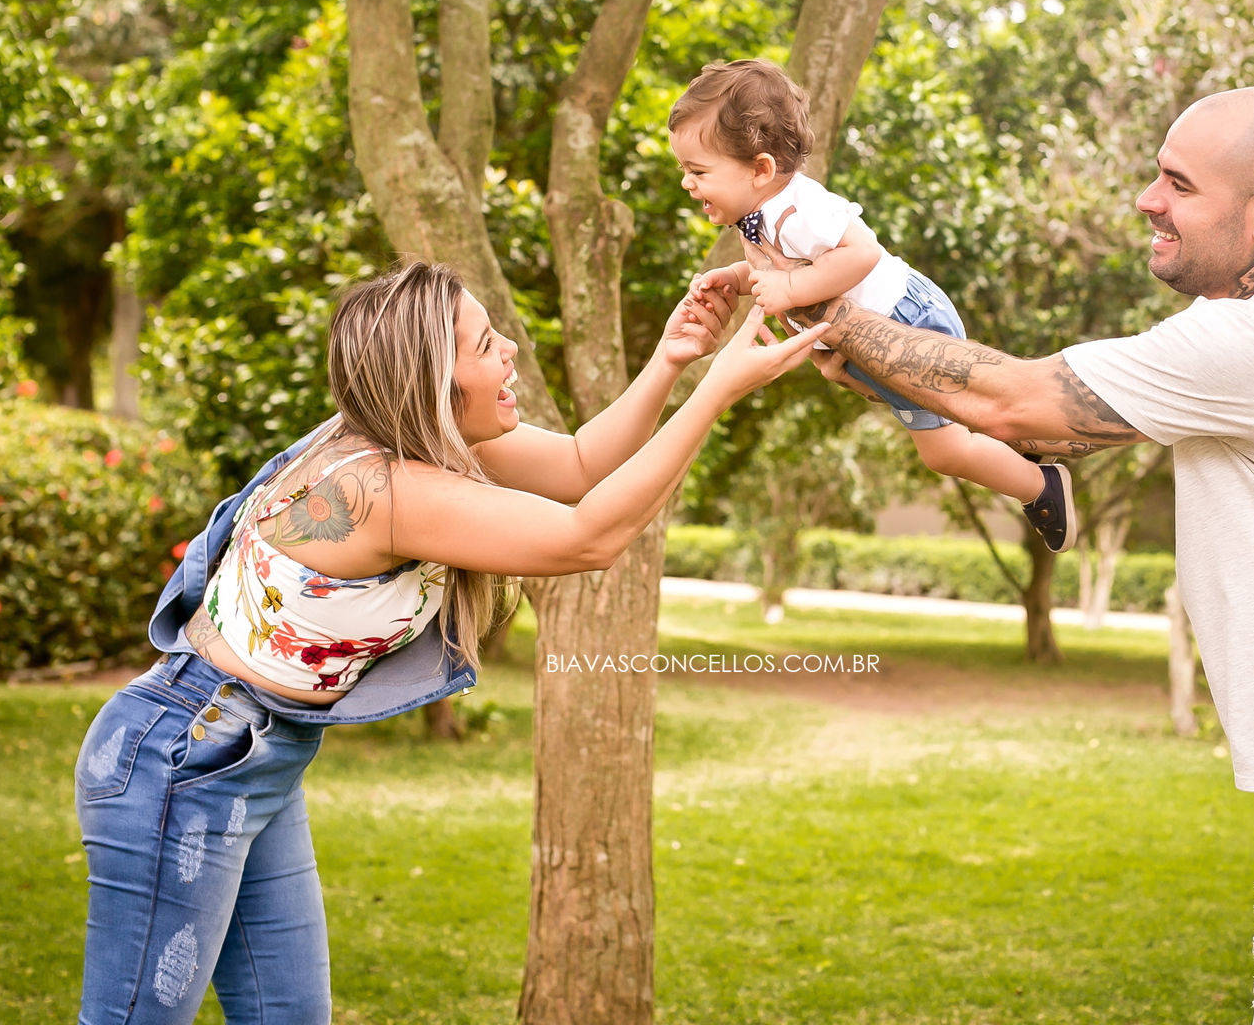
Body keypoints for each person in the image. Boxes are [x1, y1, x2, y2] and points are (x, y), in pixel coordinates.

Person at [740, 86, 1254, 1024]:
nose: (1148, 199)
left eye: (1178, 185)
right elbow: (1052, 439)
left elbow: (1021, 406)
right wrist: (870, 357)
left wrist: (831, 314)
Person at [74, 261, 824, 1025]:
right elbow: (588, 537)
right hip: (182, 759)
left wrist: (673, 360)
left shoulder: (420, 446)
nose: (510, 357)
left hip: (256, 755)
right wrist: (718, 389)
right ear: (434, 381)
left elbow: (576, 468)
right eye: (487, 344)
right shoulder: (381, 491)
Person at [671, 58, 1076, 553]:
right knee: (960, 427)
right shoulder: (758, 212)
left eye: (697, 171)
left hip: (905, 319)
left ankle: (1043, 486)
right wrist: (735, 279)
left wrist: (794, 294)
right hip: (868, 338)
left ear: (761, 169)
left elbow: (861, 252)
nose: (687, 183)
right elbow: (782, 270)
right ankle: (1024, 442)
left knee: (944, 452)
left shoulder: (801, 208)